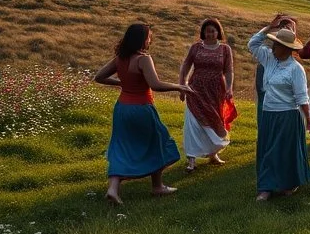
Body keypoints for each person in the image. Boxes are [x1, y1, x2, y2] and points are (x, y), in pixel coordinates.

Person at [94, 23, 190, 205]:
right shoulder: (143, 59)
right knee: (157, 142)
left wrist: (121, 83)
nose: (150, 40)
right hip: (141, 108)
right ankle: (157, 186)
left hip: (122, 108)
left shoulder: (120, 58)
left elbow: (99, 77)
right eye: (148, 37)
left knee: (121, 147)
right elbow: (155, 84)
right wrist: (179, 86)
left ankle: (113, 189)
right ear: (142, 39)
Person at [248, 15, 310, 201]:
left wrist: (309, 118)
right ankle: (265, 187)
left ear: (286, 49)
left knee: (284, 151)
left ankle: (288, 184)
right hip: (269, 114)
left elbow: (302, 97)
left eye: (276, 45)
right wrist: (269, 27)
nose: (272, 47)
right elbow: (252, 44)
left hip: (288, 115)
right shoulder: (269, 58)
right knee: (267, 150)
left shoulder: (295, 69)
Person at [178, 18, 237, 173]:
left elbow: (229, 70)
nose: (210, 34)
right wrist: (182, 85)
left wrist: (229, 88)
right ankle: (191, 159)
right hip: (196, 90)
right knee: (193, 124)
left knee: (214, 122)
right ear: (203, 32)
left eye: (213, 31)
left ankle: (213, 154)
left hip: (216, 91)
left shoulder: (225, 49)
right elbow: (186, 65)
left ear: (218, 32)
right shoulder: (196, 47)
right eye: (207, 31)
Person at [256, 15, 297, 109]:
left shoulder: (288, 40)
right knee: (264, 96)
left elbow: (293, 45)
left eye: (289, 28)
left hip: (280, 68)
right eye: (285, 27)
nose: (287, 30)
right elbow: (257, 38)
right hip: (266, 68)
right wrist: (270, 26)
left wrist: (293, 28)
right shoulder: (272, 36)